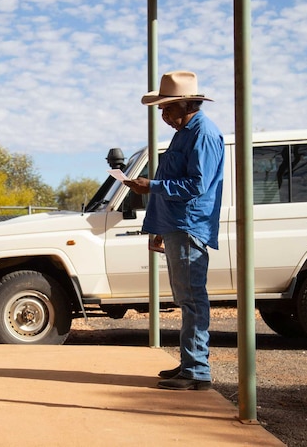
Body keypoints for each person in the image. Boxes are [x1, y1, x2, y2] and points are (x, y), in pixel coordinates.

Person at [124, 70, 225, 390]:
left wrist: (150, 186)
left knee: (192, 298)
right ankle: (191, 363)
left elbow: (197, 184)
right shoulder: (187, 132)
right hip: (178, 225)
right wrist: (159, 226)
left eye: (167, 107)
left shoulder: (203, 134)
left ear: (185, 104)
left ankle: (197, 370)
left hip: (189, 225)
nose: (163, 113)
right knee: (187, 298)